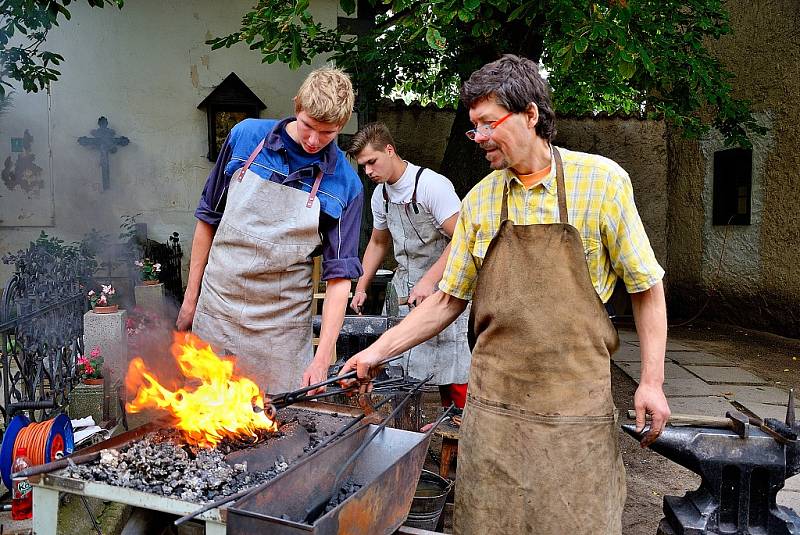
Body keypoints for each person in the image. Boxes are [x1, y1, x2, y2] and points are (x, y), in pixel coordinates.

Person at [339, 54, 670, 534]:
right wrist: (374, 352)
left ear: (531, 114)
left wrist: (652, 381)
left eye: (488, 124)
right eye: (473, 127)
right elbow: (447, 301)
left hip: (573, 411)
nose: (479, 138)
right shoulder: (481, 200)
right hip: (493, 414)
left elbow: (646, 286)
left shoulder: (601, 182)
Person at [177, 67, 363, 395]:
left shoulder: (346, 185)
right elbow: (207, 218)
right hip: (219, 310)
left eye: (327, 133)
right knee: (205, 417)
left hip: (282, 331)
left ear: (341, 126)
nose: (313, 140)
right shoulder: (245, 138)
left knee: (276, 424)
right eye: (308, 126)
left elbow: (339, 279)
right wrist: (191, 300)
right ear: (296, 106)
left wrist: (321, 359)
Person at [347, 123, 470, 410]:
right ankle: (408, 432)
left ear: (389, 150)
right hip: (404, 289)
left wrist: (429, 281)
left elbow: (463, 238)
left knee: (452, 373)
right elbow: (378, 243)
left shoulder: (431, 186)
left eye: (371, 162)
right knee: (400, 369)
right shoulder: (381, 196)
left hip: (445, 287)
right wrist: (361, 287)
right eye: (363, 166)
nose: (368, 172)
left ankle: (460, 428)